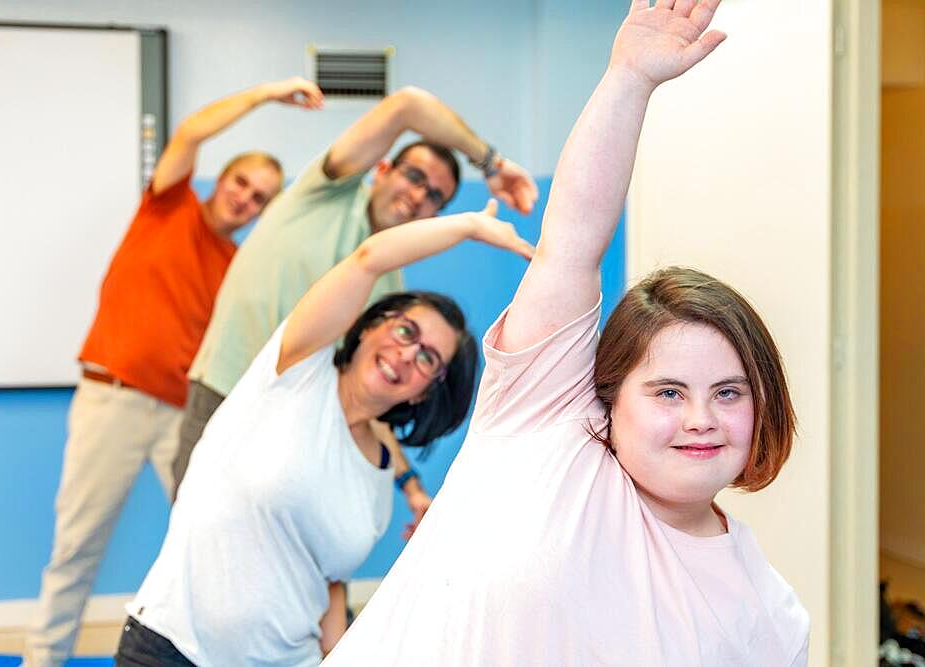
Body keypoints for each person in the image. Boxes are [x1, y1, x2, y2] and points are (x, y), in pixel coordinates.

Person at [322, 1, 811, 665]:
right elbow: (572, 243)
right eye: (668, 391)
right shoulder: (543, 423)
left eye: (729, 392)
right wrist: (630, 80)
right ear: (610, 395)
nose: (702, 418)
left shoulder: (773, 618)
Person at [113, 200, 535, 666]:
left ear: (424, 393)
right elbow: (368, 259)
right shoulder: (295, 368)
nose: (406, 354)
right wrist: (468, 225)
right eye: (404, 331)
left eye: (427, 358)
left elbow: (325, 582)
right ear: (372, 325)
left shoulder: (378, 484)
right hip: (168, 646)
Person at [23, 77, 324, 667]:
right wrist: (265, 96)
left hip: (184, 416)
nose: (246, 199)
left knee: (212, 541)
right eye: (242, 183)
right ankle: (42, 660)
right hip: (115, 399)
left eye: (261, 197)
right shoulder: (168, 206)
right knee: (77, 544)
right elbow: (191, 131)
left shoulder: (237, 265)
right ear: (221, 180)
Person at [171, 84, 540, 533]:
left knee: (277, 563)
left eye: (435, 197)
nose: (419, 196)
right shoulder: (326, 192)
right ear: (382, 168)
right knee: (196, 545)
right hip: (222, 391)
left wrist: (410, 485)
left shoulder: (390, 298)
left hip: (289, 425)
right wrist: (492, 163)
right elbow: (408, 104)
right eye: (415, 177)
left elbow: (368, 390)